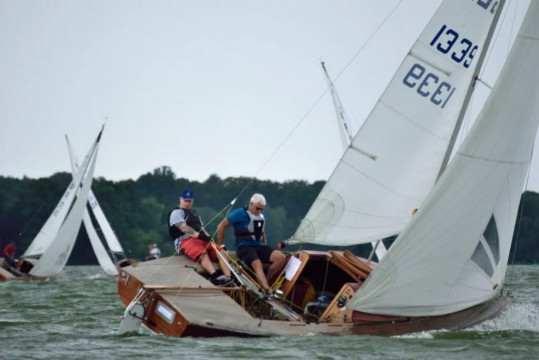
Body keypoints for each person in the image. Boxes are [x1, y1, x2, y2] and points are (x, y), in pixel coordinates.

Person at [217, 193, 286, 296]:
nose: (259, 211)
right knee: (257, 263)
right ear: (251, 204)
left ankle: (263, 283)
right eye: (258, 208)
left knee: (280, 257)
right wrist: (222, 245)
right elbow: (221, 226)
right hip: (244, 247)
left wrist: (265, 246)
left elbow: (262, 232)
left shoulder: (261, 214)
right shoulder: (240, 213)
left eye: (262, 209)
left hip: (258, 246)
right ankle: (266, 290)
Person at [168, 188, 233, 286]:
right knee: (202, 253)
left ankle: (228, 278)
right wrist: (198, 236)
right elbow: (184, 228)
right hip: (184, 240)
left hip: (199, 239)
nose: (187, 203)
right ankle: (215, 276)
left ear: (192, 201)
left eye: (189, 201)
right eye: (185, 200)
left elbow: (203, 229)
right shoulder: (176, 213)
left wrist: (210, 240)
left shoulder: (195, 214)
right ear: (180, 199)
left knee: (221, 252)